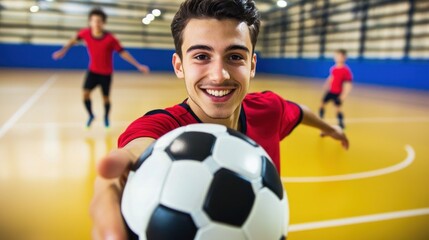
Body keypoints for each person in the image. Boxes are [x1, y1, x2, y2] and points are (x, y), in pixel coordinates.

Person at [90, 0, 349, 239]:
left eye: (235, 57)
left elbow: (299, 111)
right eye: (201, 56)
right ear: (179, 66)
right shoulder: (163, 129)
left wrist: (331, 128)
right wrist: (110, 185)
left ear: (252, 65)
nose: (219, 75)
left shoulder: (267, 109)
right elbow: (139, 147)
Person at [52, 8, 150, 128]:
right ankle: (91, 115)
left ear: (103, 23)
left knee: (106, 98)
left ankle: (106, 117)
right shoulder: (85, 33)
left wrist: (138, 65)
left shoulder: (110, 39)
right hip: (93, 71)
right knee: (85, 94)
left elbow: (123, 52)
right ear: (90, 22)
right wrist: (63, 51)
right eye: (93, 21)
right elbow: (73, 40)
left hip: (106, 74)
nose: (96, 23)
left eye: (99, 21)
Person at [319, 49, 353, 129]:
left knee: (337, 109)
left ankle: (341, 124)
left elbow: (348, 85)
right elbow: (331, 77)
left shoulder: (346, 70)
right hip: (331, 91)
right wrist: (327, 83)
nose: (338, 58)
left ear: (345, 58)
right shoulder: (333, 68)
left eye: (340, 56)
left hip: (338, 93)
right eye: (336, 56)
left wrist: (342, 97)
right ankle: (320, 119)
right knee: (322, 104)